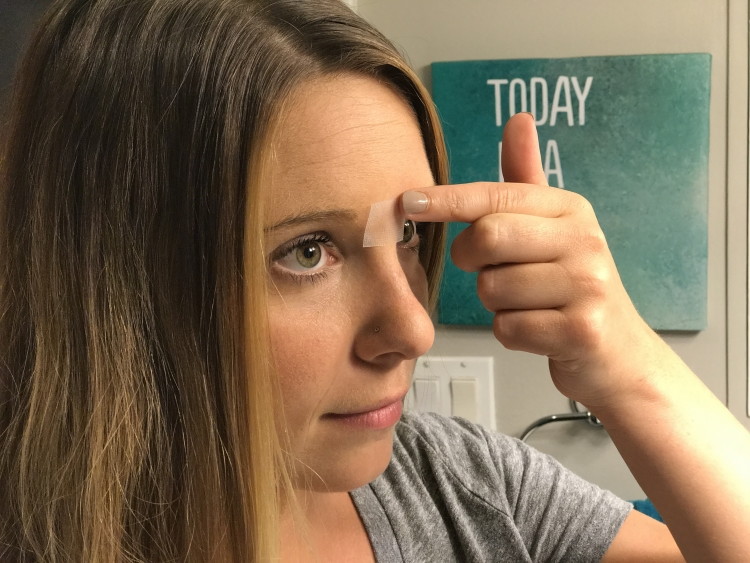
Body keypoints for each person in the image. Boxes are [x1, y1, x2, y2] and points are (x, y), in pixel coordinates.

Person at [0, 0, 748, 561]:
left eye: (411, 233)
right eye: (307, 251)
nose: (413, 327)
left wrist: (628, 363)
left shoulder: (464, 483)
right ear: (119, 288)